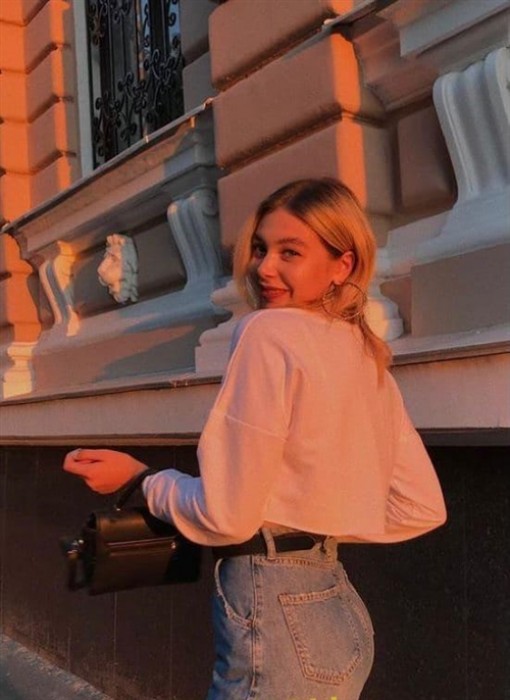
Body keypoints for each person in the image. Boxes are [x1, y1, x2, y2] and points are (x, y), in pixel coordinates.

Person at [64, 178, 447, 700]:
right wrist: (313, 523)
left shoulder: (268, 333)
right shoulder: (363, 354)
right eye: (262, 249)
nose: (264, 267)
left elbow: (227, 517)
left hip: (277, 609)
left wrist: (141, 480)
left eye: (290, 252)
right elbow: (421, 506)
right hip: (339, 611)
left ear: (343, 265)